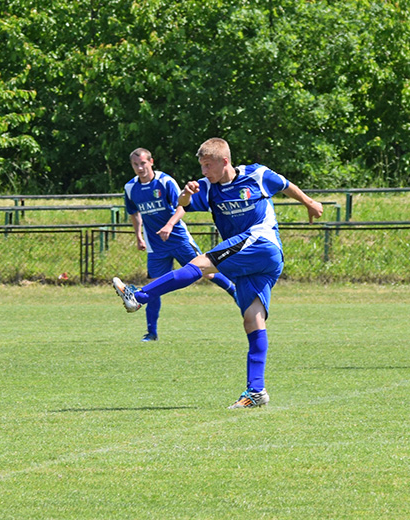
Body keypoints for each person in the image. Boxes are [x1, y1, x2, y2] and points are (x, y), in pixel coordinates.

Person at [113, 138, 323, 408]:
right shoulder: (209, 189)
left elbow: (284, 185)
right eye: (201, 165)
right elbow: (183, 204)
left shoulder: (256, 175)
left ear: (225, 161)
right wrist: (186, 195)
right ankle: (256, 391)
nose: (203, 171)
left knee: (200, 264)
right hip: (252, 263)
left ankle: (139, 296)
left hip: (261, 243)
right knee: (252, 321)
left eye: (208, 165)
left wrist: (308, 202)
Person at [115, 148, 236, 342]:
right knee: (155, 286)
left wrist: (169, 225)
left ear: (151, 162)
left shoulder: (165, 182)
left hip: (179, 238)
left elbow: (182, 206)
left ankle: (236, 292)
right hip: (156, 246)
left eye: (143, 163)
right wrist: (138, 236)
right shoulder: (130, 188)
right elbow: (134, 213)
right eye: (135, 165)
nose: (140, 168)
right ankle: (151, 333)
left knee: (208, 272)